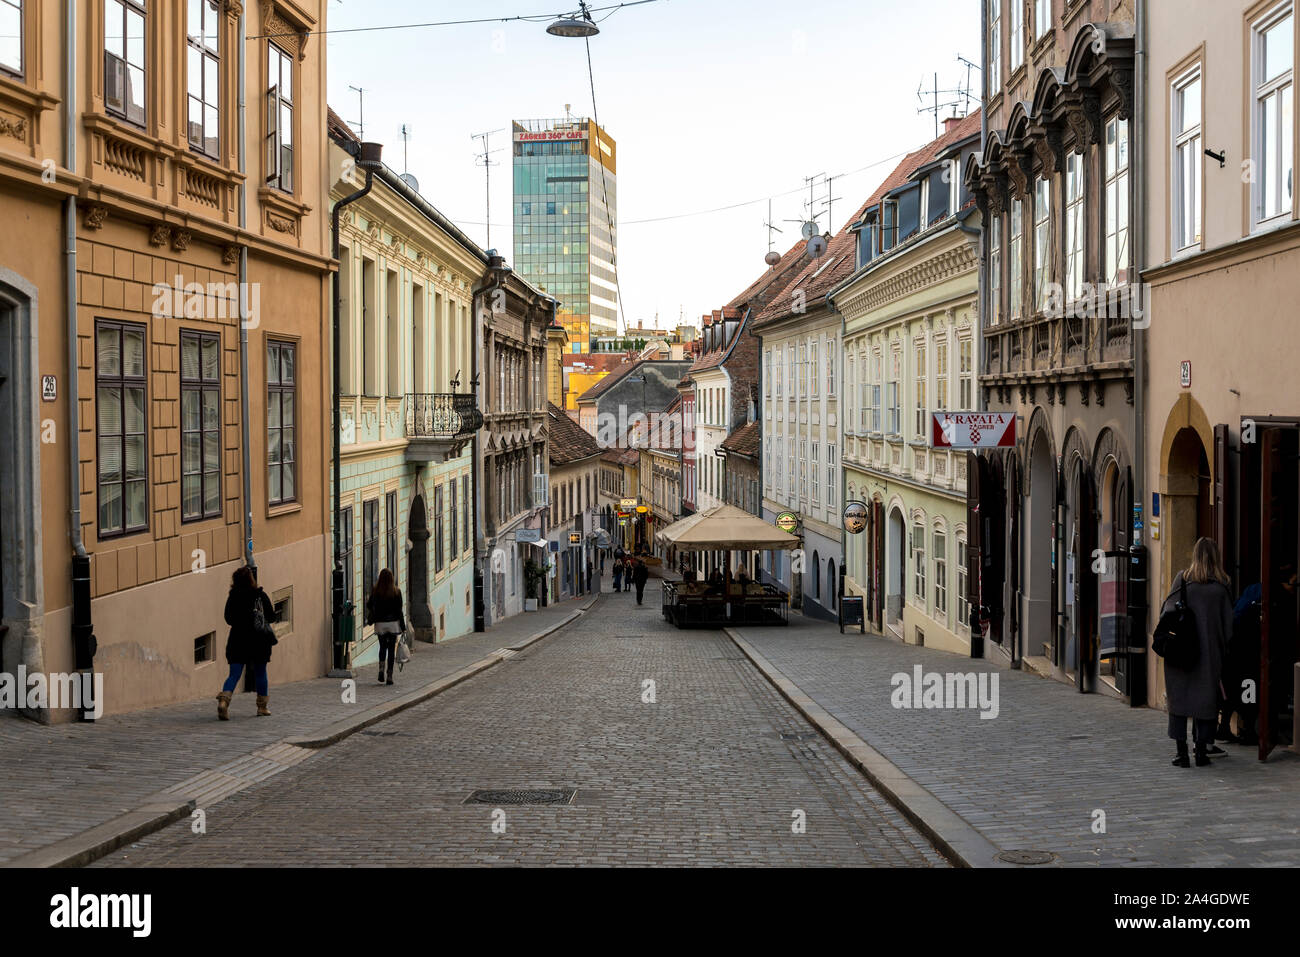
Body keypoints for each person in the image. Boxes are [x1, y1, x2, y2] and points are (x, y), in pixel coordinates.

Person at [1160, 537, 1233, 768]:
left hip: (1179, 653)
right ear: (1215, 558)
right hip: (1209, 656)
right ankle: (1201, 752)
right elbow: (1229, 629)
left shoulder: (1182, 580)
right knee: (1205, 702)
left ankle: (1181, 754)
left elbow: (1165, 615)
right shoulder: (1221, 589)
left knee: (1179, 701)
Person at [217, 566, 277, 720]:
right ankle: (262, 707)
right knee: (260, 673)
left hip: (238, 639)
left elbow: (228, 618)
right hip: (258, 640)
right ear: (251, 579)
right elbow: (271, 616)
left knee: (234, 674)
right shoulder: (259, 595)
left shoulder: (233, 596)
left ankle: (224, 701)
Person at [366, 568, 405, 686]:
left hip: (380, 624)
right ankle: (389, 675)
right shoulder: (396, 592)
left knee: (382, 647)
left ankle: (381, 669)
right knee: (391, 649)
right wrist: (403, 626)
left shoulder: (376, 591)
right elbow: (399, 611)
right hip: (393, 624)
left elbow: (369, 605)